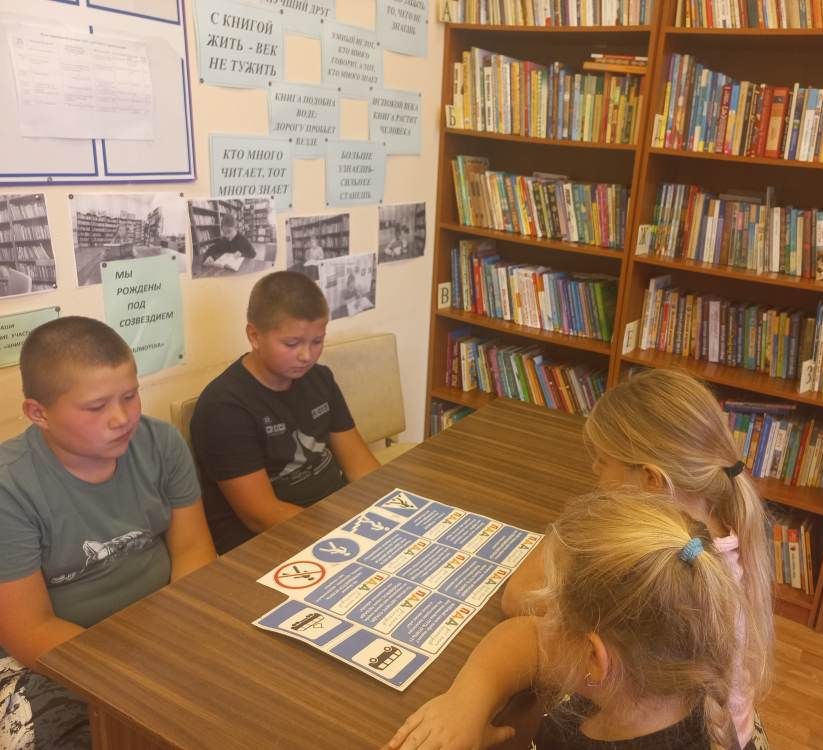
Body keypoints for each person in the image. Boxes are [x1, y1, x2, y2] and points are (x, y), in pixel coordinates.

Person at [501, 368, 774, 749]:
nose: (594, 473)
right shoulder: (719, 527)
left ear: (650, 481)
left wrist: (595, 517)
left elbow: (517, 597)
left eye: (602, 462)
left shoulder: (655, 572)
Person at [383, 489, 744, 750]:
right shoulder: (667, 677)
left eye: (551, 609)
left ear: (593, 658)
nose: (541, 618)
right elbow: (525, 638)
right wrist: (466, 702)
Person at [0, 317, 217, 749]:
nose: (122, 418)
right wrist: (135, 671)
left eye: (130, 396)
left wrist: (184, 636)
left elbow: (193, 551)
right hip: (61, 654)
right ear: (38, 413)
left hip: (166, 624)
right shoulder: (11, 486)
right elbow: (29, 630)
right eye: (96, 407)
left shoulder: (162, 443)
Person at [190, 271, 380, 553]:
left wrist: (387, 514)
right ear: (254, 336)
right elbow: (261, 515)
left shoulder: (320, 378)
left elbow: (360, 465)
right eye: (292, 344)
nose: (307, 355)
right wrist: (345, 534)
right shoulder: (224, 407)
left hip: (333, 517)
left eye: (317, 341)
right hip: (270, 541)